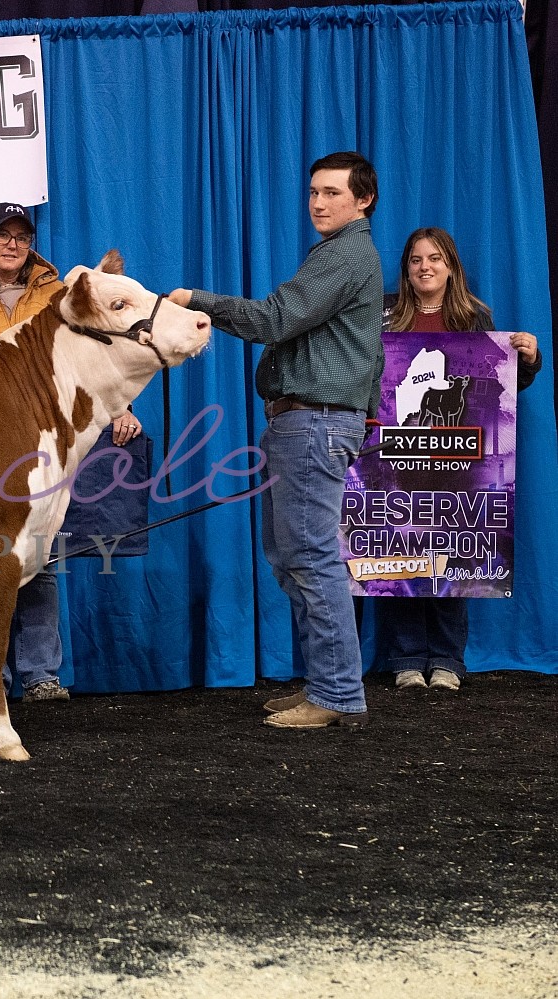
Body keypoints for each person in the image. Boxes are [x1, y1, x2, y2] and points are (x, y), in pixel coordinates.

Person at [168, 151, 383, 729]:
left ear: (363, 200)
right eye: (314, 192)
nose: (318, 202)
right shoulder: (343, 256)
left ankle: (337, 695)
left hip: (313, 422)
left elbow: (274, 319)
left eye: (333, 193)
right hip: (307, 422)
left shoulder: (345, 256)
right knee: (293, 558)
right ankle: (327, 687)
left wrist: (198, 302)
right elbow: (370, 352)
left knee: (310, 558)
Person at [0, 202, 144, 703]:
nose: (12, 244)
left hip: (42, 442)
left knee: (37, 558)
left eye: (22, 236)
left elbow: (102, 353)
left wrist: (120, 406)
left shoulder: (59, 295)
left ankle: (41, 673)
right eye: (2, 234)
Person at [377, 226, 542, 692]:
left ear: (451, 266)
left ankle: (447, 659)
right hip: (396, 454)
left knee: (452, 554)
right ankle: (407, 658)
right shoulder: (384, 316)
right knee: (400, 550)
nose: (424, 267)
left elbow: (500, 386)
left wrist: (526, 359)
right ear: (407, 269)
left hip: (459, 458)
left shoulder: (475, 317)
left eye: (434, 259)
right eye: (415, 260)